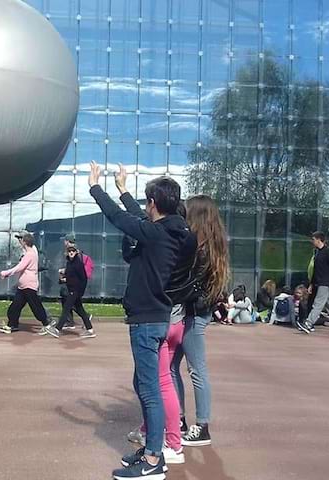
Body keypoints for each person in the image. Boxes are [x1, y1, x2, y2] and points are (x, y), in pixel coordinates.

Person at [88, 161, 190, 479]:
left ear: (154, 204)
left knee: (149, 389)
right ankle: (151, 450)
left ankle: (153, 459)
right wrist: (123, 189)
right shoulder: (170, 231)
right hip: (154, 318)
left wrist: (95, 187)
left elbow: (121, 219)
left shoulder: (157, 235)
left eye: (147, 203)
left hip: (147, 321)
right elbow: (136, 217)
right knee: (143, 384)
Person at [122, 195, 197, 466]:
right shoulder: (183, 238)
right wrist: (124, 193)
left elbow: (134, 222)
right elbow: (140, 220)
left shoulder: (162, 239)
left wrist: (104, 190)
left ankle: (170, 445)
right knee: (152, 380)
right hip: (173, 318)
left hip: (161, 317)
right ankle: (155, 436)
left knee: (158, 384)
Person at [171, 194, 229, 448]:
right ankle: (180, 419)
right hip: (196, 312)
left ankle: (201, 425)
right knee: (173, 366)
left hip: (194, 314)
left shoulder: (200, 248)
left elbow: (194, 285)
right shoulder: (212, 246)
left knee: (195, 369)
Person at [0, 231, 50, 334]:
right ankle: (12, 325)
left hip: (29, 286)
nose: (19, 241)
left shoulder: (30, 253)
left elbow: (20, 267)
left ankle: (47, 324)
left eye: (21, 239)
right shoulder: (26, 252)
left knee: (36, 307)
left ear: (25, 241)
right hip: (22, 287)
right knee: (14, 307)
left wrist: (6, 273)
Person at [44, 245, 96, 339]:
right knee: (80, 310)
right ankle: (90, 330)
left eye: (73, 251)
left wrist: (80, 292)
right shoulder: (69, 263)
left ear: (76, 252)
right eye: (69, 251)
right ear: (67, 252)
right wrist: (63, 279)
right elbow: (71, 277)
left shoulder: (78, 264)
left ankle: (57, 329)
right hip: (71, 290)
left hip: (75, 291)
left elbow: (83, 279)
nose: (71, 253)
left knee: (66, 309)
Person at [298, 231, 329, 333]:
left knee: (318, 304)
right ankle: (309, 323)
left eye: (313, 239)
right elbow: (315, 270)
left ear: (319, 240)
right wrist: (311, 284)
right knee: (327, 304)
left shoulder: (328, 252)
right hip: (318, 282)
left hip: (325, 282)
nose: (312, 241)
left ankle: (308, 323)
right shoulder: (317, 253)